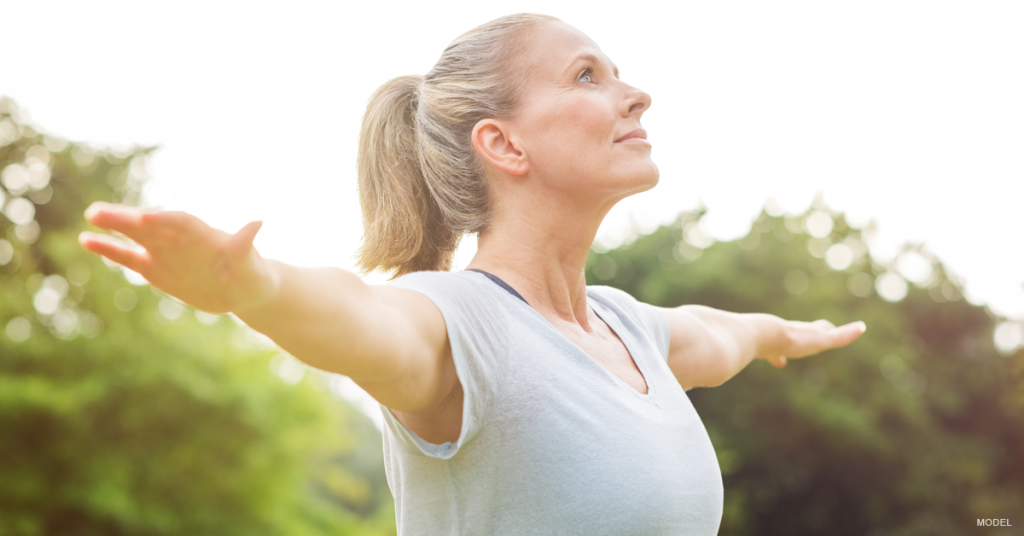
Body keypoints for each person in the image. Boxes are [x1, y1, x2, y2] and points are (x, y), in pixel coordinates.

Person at [79, 13, 865, 536]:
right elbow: (361, 316)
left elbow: (719, 333)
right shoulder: (459, 323)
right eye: (588, 76)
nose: (636, 94)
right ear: (505, 145)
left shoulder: (632, 330)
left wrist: (782, 333)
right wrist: (258, 289)